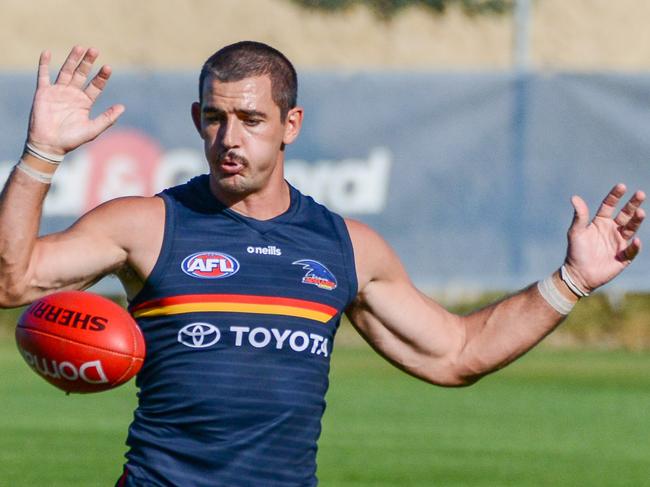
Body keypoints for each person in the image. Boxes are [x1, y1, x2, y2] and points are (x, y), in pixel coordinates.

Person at [0, 42, 645, 487]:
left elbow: (455, 354)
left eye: (251, 119)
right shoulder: (144, 224)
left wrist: (573, 282)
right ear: (197, 119)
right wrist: (40, 154)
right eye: (216, 119)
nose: (230, 139)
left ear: (291, 124)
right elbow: (14, 279)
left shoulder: (346, 247)